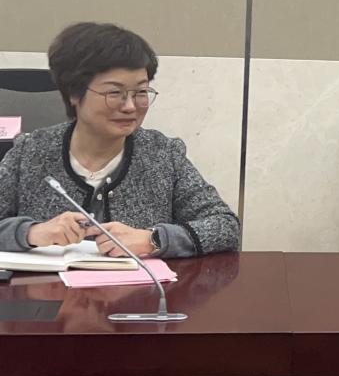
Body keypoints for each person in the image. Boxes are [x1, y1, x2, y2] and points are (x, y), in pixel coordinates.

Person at [0, 22, 240, 258]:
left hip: (141, 285)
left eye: (141, 92)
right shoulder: (30, 152)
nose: (130, 106)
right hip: (46, 285)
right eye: (114, 93)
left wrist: (153, 240)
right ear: (74, 93)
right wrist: (30, 232)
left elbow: (225, 226)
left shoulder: (163, 154)